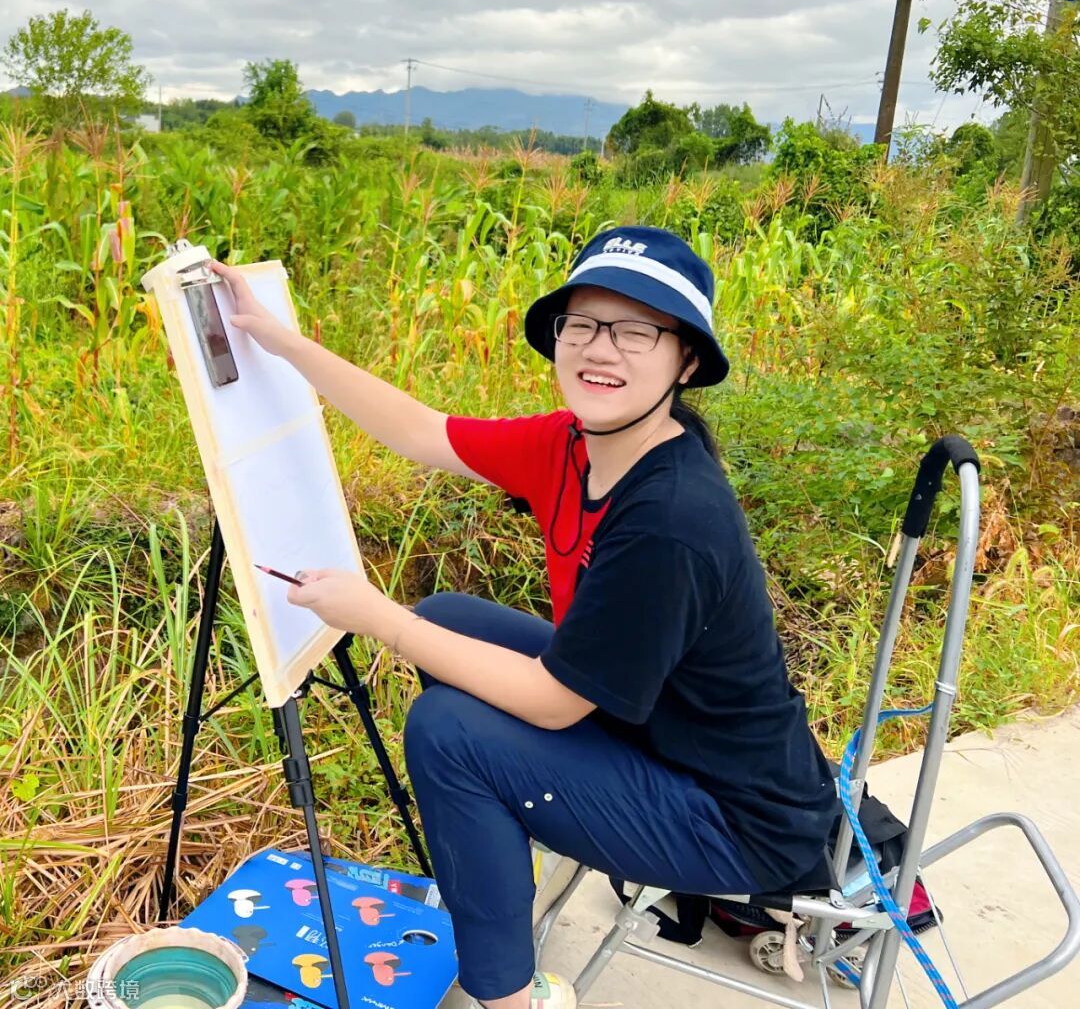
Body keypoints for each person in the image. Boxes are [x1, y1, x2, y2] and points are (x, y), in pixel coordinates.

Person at [210, 225, 837, 1009]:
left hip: (736, 816)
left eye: (636, 331)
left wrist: (375, 616)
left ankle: (509, 996)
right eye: (583, 324)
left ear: (686, 361)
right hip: (655, 731)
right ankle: (505, 860)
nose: (600, 349)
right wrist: (277, 340)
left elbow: (553, 702)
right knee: (447, 619)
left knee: (448, 732)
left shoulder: (672, 519)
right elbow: (421, 431)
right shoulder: (573, 445)